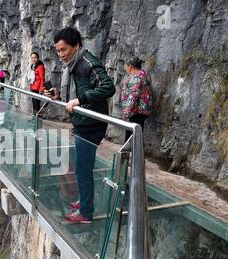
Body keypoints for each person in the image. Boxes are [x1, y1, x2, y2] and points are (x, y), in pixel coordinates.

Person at [44, 27, 116, 224]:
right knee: (81, 168)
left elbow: (108, 87)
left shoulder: (87, 63)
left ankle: (86, 213)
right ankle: (84, 201)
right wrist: (58, 96)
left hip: (91, 125)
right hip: (83, 124)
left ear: (76, 46)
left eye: (64, 49)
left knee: (82, 170)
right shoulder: (74, 65)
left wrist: (80, 100)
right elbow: (77, 92)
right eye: (58, 51)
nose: (61, 54)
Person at [121, 57, 153, 142]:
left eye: (126, 66)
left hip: (135, 111)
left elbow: (133, 95)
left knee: (130, 136)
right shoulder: (145, 74)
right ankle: (136, 152)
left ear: (130, 66)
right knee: (137, 133)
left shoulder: (136, 77)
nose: (125, 68)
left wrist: (127, 112)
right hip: (143, 110)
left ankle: (130, 154)